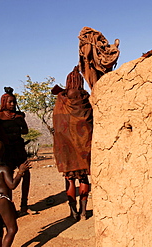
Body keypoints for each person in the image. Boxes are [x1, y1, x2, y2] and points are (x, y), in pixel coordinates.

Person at [52, 66, 93, 220]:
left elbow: (58, 122)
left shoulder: (61, 99)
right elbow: (90, 121)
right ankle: (83, 212)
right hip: (83, 145)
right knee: (83, 178)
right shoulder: (85, 98)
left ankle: (73, 211)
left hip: (66, 146)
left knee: (69, 179)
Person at [0, 87, 30, 215]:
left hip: (19, 149)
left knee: (26, 174)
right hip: (6, 151)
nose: (12, 104)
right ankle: (9, 207)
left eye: (14, 102)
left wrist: (17, 130)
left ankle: (24, 205)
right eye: (10, 102)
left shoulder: (19, 116)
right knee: (8, 178)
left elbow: (25, 130)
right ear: (4, 102)